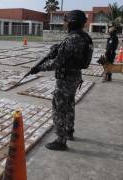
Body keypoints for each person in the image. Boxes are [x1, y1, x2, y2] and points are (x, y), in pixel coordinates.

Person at [30, 10, 93, 151]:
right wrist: (57, 50)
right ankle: (69, 131)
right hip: (75, 77)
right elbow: (70, 56)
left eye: (66, 22)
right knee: (69, 105)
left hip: (65, 80)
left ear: (71, 23)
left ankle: (60, 140)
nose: (64, 24)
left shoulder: (72, 39)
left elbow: (57, 63)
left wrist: (39, 68)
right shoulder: (85, 37)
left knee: (59, 109)